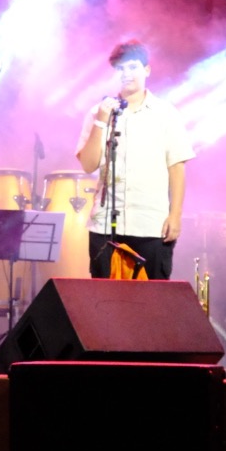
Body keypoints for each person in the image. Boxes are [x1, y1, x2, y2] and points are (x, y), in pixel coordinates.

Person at [76, 39, 195, 280]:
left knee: (151, 299)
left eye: (132, 67)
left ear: (146, 70)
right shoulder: (98, 112)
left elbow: (176, 168)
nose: (126, 74)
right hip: (105, 225)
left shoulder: (165, 113)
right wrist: (101, 121)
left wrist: (175, 215)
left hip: (151, 224)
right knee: (105, 299)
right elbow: (88, 165)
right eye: (120, 68)